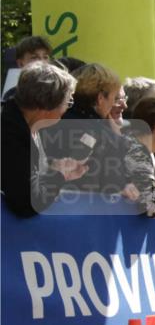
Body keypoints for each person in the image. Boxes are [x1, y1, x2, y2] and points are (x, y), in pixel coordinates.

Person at [1, 62, 88, 216]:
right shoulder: (10, 132)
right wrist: (60, 176)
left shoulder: (25, 124)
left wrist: (53, 166)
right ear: (48, 104)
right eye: (68, 101)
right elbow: (28, 203)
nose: (68, 108)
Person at [45, 63, 132, 196]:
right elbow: (116, 188)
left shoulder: (46, 123)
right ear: (101, 98)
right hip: (86, 210)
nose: (115, 104)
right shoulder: (106, 137)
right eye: (114, 98)